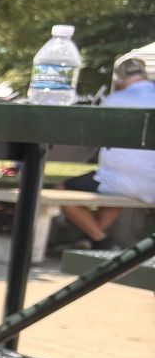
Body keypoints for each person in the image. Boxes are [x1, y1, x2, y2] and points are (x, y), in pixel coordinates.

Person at [61, 57, 155, 249]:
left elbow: (93, 136)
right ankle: (90, 240)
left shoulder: (114, 100)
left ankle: (101, 241)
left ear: (120, 79)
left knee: (61, 191)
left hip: (119, 180)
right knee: (114, 197)